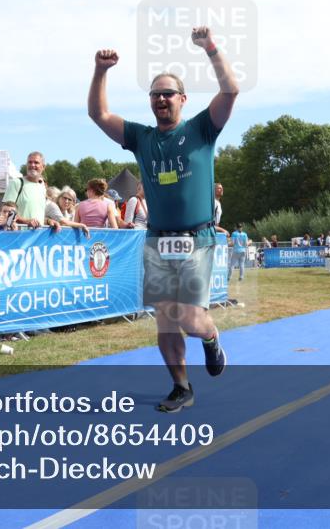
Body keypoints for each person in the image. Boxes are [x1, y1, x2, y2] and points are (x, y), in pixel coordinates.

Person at [88, 25, 236, 413]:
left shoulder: (202, 129)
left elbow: (231, 90)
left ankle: (210, 336)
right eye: (155, 95)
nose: (161, 99)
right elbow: (98, 113)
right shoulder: (141, 138)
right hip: (157, 239)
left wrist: (210, 48)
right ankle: (181, 386)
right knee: (166, 320)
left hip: (197, 238)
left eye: (168, 93)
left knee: (189, 318)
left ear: (182, 99)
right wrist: (101, 71)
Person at [3, 151, 51, 229]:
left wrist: (49, 221)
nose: (32, 165)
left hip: (38, 237)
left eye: (36, 162)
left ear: (43, 167)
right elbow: (6, 213)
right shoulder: (16, 183)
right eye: (30, 162)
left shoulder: (42, 187)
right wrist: (26, 222)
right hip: (19, 236)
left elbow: (36, 216)